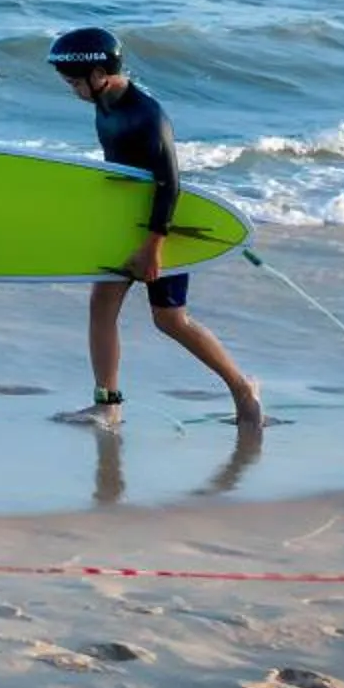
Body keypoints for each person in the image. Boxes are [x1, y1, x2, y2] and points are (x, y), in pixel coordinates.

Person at [47, 27, 263, 425]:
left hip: (162, 226)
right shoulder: (105, 105)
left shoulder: (146, 116)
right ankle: (108, 404)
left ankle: (242, 387)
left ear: (100, 75)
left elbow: (170, 183)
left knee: (170, 320)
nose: (71, 88)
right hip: (127, 224)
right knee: (102, 305)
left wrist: (153, 247)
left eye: (74, 81)